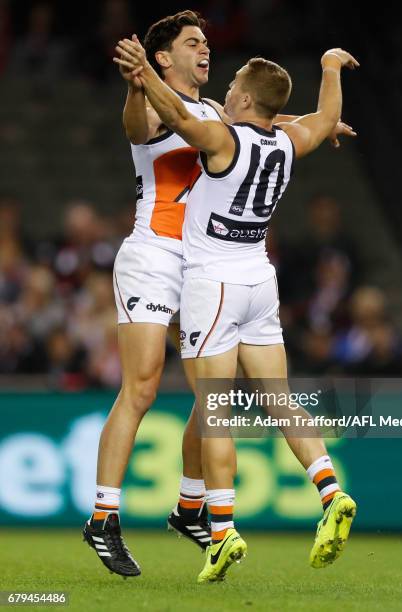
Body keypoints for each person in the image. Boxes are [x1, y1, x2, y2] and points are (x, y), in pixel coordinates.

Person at [83, 10, 356, 579]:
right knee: (143, 385)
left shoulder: (214, 113)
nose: (206, 49)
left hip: (205, 262)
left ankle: (190, 506)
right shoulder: (155, 102)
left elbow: (264, 116)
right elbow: (140, 126)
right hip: (155, 256)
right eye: (192, 43)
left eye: (207, 41)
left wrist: (317, 122)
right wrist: (138, 84)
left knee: (216, 394)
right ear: (163, 58)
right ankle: (104, 517)